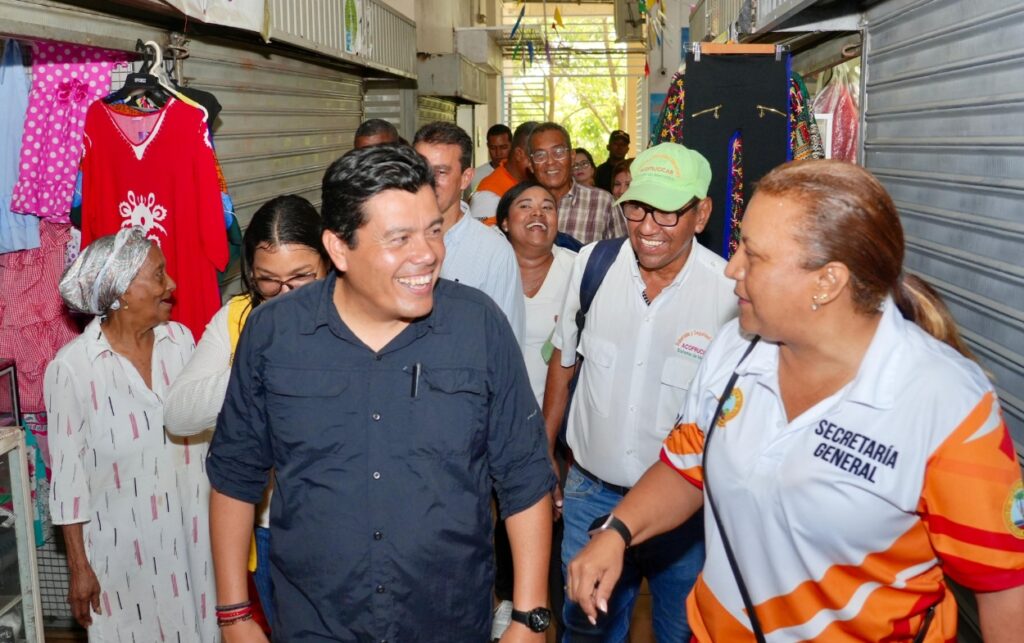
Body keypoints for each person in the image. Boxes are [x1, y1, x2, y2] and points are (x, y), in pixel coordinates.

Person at [567, 160, 1024, 642]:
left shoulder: (946, 403)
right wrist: (618, 530)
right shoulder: (734, 348)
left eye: (754, 256)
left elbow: (1003, 586)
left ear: (827, 282)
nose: (731, 267)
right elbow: (686, 466)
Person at [206, 144, 556, 643]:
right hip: (314, 622)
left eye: (434, 230)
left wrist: (529, 617)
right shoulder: (273, 335)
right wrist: (234, 615)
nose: (428, 253)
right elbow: (235, 475)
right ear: (339, 247)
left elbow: (523, 477)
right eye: (400, 238)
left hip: (448, 619)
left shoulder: (477, 326)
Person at [544, 143, 737, 642]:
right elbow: (565, 363)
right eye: (636, 207)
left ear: (702, 213)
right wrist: (545, 450)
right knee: (586, 630)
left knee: (680, 631)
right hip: (591, 495)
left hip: (687, 515)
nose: (647, 226)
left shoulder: (730, 296)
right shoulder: (592, 266)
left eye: (668, 212)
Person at [164, 195, 329, 629]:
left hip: (348, 522)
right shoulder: (236, 319)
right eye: (267, 281)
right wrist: (256, 369)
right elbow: (178, 414)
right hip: (271, 528)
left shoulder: (357, 317)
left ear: (331, 259)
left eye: (301, 278)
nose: (284, 293)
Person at [45, 227, 216, 641]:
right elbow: (68, 482)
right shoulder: (73, 369)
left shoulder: (181, 341)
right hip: (123, 559)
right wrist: (79, 568)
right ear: (121, 291)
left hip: (194, 544)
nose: (171, 285)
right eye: (159, 275)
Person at [494, 180, 578, 639]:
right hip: (495, 420)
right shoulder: (491, 268)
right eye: (524, 205)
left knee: (551, 515)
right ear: (504, 222)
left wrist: (548, 438)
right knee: (493, 516)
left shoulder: (577, 268)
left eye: (548, 205)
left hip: (556, 424)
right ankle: (508, 603)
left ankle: (548, 613)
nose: (538, 213)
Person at [413, 122, 526, 344]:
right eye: (421, 169)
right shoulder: (390, 242)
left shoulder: (493, 252)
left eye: (441, 172)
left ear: (466, 178)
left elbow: (506, 346)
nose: (428, 181)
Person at [529, 122, 625, 245]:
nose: (550, 161)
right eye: (540, 155)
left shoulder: (602, 202)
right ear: (531, 164)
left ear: (572, 157)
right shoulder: (521, 207)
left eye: (558, 152)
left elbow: (622, 257)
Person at [471, 121, 539, 224]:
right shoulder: (488, 195)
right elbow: (480, 238)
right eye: (538, 155)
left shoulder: (534, 182)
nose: (546, 163)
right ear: (519, 154)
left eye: (503, 147)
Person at [471, 123, 513, 192]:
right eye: (493, 148)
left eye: (503, 147)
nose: (498, 153)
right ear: (488, 146)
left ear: (512, 145)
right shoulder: (475, 176)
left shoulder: (519, 174)